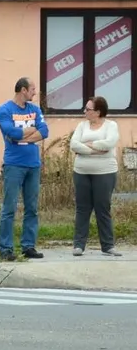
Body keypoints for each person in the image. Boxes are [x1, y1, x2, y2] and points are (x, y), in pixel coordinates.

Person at [0, 77, 49, 261]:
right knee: (9, 208)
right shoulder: (5, 110)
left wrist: (23, 138)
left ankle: (28, 246)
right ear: (23, 90)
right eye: (33, 89)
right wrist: (31, 131)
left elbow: (45, 131)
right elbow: (11, 132)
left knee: (32, 208)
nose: (35, 92)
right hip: (14, 165)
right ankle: (5, 248)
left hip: (33, 164)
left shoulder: (35, 109)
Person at [69, 95, 122, 257]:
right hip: (81, 172)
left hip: (105, 172)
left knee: (102, 208)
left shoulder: (111, 126)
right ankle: (79, 245)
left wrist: (85, 148)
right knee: (82, 208)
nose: (84, 111)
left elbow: (109, 144)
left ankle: (108, 245)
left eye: (88, 109)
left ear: (98, 112)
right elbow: (74, 144)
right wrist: (95, 150)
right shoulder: (82, 125)